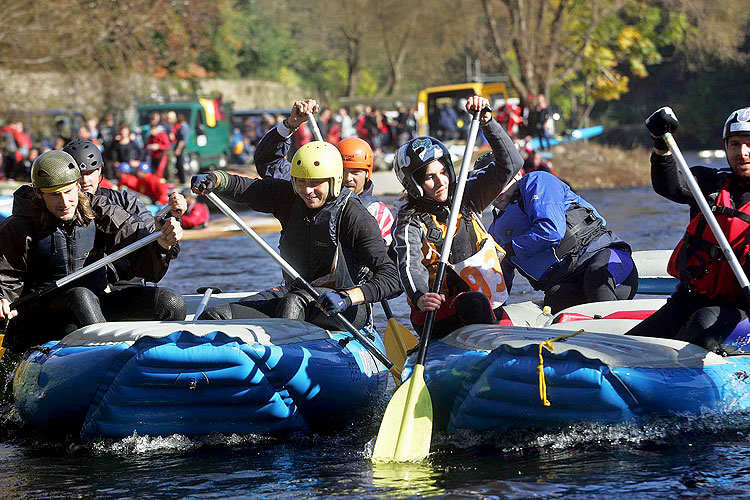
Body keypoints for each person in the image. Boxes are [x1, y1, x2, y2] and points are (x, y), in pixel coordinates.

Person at [190, 141, 400, 331]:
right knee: (216, 316)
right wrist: (215, 179)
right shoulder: (289, 197)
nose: (307, 191)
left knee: (292, 305)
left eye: (316, 183)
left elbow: (392, 277)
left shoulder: (355, 216)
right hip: (294, 293)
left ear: (334, 180)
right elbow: (246, 188)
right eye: (300, 182)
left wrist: (348, 298)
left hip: (343, 306)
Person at [0, 150, 186, 352]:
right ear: (39, 193)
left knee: (171, 303)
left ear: (78, 186)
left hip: (93, 307)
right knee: (80, 296)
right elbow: (7, 275)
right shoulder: (18, 226)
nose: (64, 202)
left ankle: (160, 365)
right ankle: (108, 357)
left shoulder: (99, 209)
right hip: (42, 318)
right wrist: (2, 297)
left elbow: (137, 240)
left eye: (69, 191)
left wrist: (163, 243)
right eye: (54, 195)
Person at [392, 96, 520, 338]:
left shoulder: (466, 194)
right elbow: (409, 264)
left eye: (443, 172)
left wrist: (487, 122)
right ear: (414, 184)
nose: (441, 182)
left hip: (486, 300)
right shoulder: (409, 220)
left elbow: (511, 165)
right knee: (475, 303)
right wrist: (419, 296)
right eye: (430, 177)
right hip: (437, 310)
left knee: (480, 303)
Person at [626, 106, 750, 352]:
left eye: (749, 144)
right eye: (734, 144)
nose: (742, 153)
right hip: (690, 299)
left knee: (702, 324)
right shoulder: (708, 183)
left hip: (741, 310)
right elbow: (670, 186)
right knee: (631, 347)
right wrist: (661, 145)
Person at [488, 168, 638, 313]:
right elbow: (497, 291)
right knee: (555, 298)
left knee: (596, 276)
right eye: (490, 187)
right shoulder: (494, 234)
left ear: (517, 174)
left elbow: (551, 231)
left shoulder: (537, 181)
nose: (497, 192)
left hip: (606, 263)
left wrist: (509, 248)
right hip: (568, 283)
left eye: (502, 182)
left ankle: (609, 329)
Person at [253, 99, 395, 245]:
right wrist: (290, 125)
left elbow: (385, 261)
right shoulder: (309, 190)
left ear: (367, 174)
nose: (347, 178)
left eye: (356, 172)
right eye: (343, 170)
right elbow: (268, 163)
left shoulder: (378, 213)